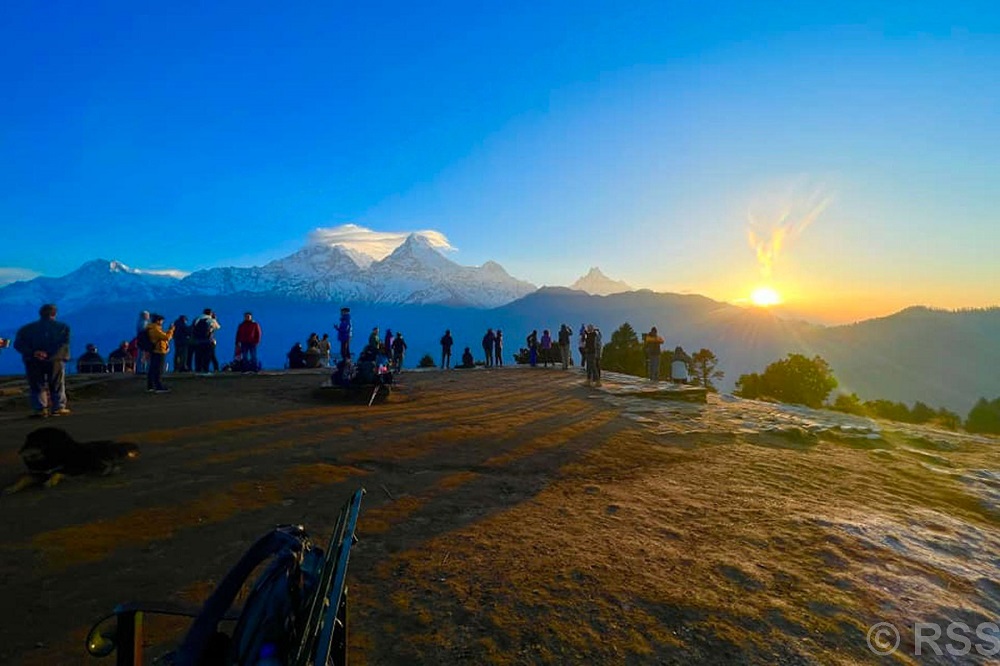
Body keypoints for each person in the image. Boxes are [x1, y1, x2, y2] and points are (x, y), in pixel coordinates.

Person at [13, 304, 71, 417]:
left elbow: (18, 344)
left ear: (40, 313)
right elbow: (63, 344)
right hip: (55, 360)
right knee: (56, 383)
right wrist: (49, 354)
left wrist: (34, 353)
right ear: (54, 314)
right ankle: (58, 407)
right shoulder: (63, 327)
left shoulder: (26, 329)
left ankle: (40, 408)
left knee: (36, 384)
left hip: (32, 360)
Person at [145, 314, 175, 393]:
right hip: (159, 350)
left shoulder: (151, 328)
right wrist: (171, 330)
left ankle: (151, 386)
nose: (162, 322)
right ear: (158, 321)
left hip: (155, 350)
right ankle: (158, 386)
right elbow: (166, 337)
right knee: (158, 369)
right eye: (161, 321)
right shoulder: (155, 329)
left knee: (153, 368)